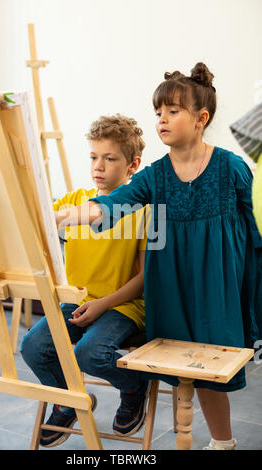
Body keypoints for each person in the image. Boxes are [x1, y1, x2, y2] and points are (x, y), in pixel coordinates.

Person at [56, 63, 262, 450]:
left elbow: (255, 236)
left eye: (173, 111)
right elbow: (109, 206)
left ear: (201, 118)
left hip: (219, 288)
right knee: (186, 371)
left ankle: (222, 442)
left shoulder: (233, 169)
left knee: (212, 371)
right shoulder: (154, 176)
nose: (162, 119)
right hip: (172, 289)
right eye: (158, 112)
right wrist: (60, 217)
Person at [21, 114, 149, 447]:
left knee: (90, 353)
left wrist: (103, 304)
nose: (99, 166)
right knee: (33, 347)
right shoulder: (72, 202)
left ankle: (134, 385)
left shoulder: (145, 210)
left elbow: (144, 278)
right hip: (76, 301)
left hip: (123, 304)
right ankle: (68, 401)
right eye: (94, 157)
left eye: (110, 158)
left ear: (133, 164)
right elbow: (34, 214)